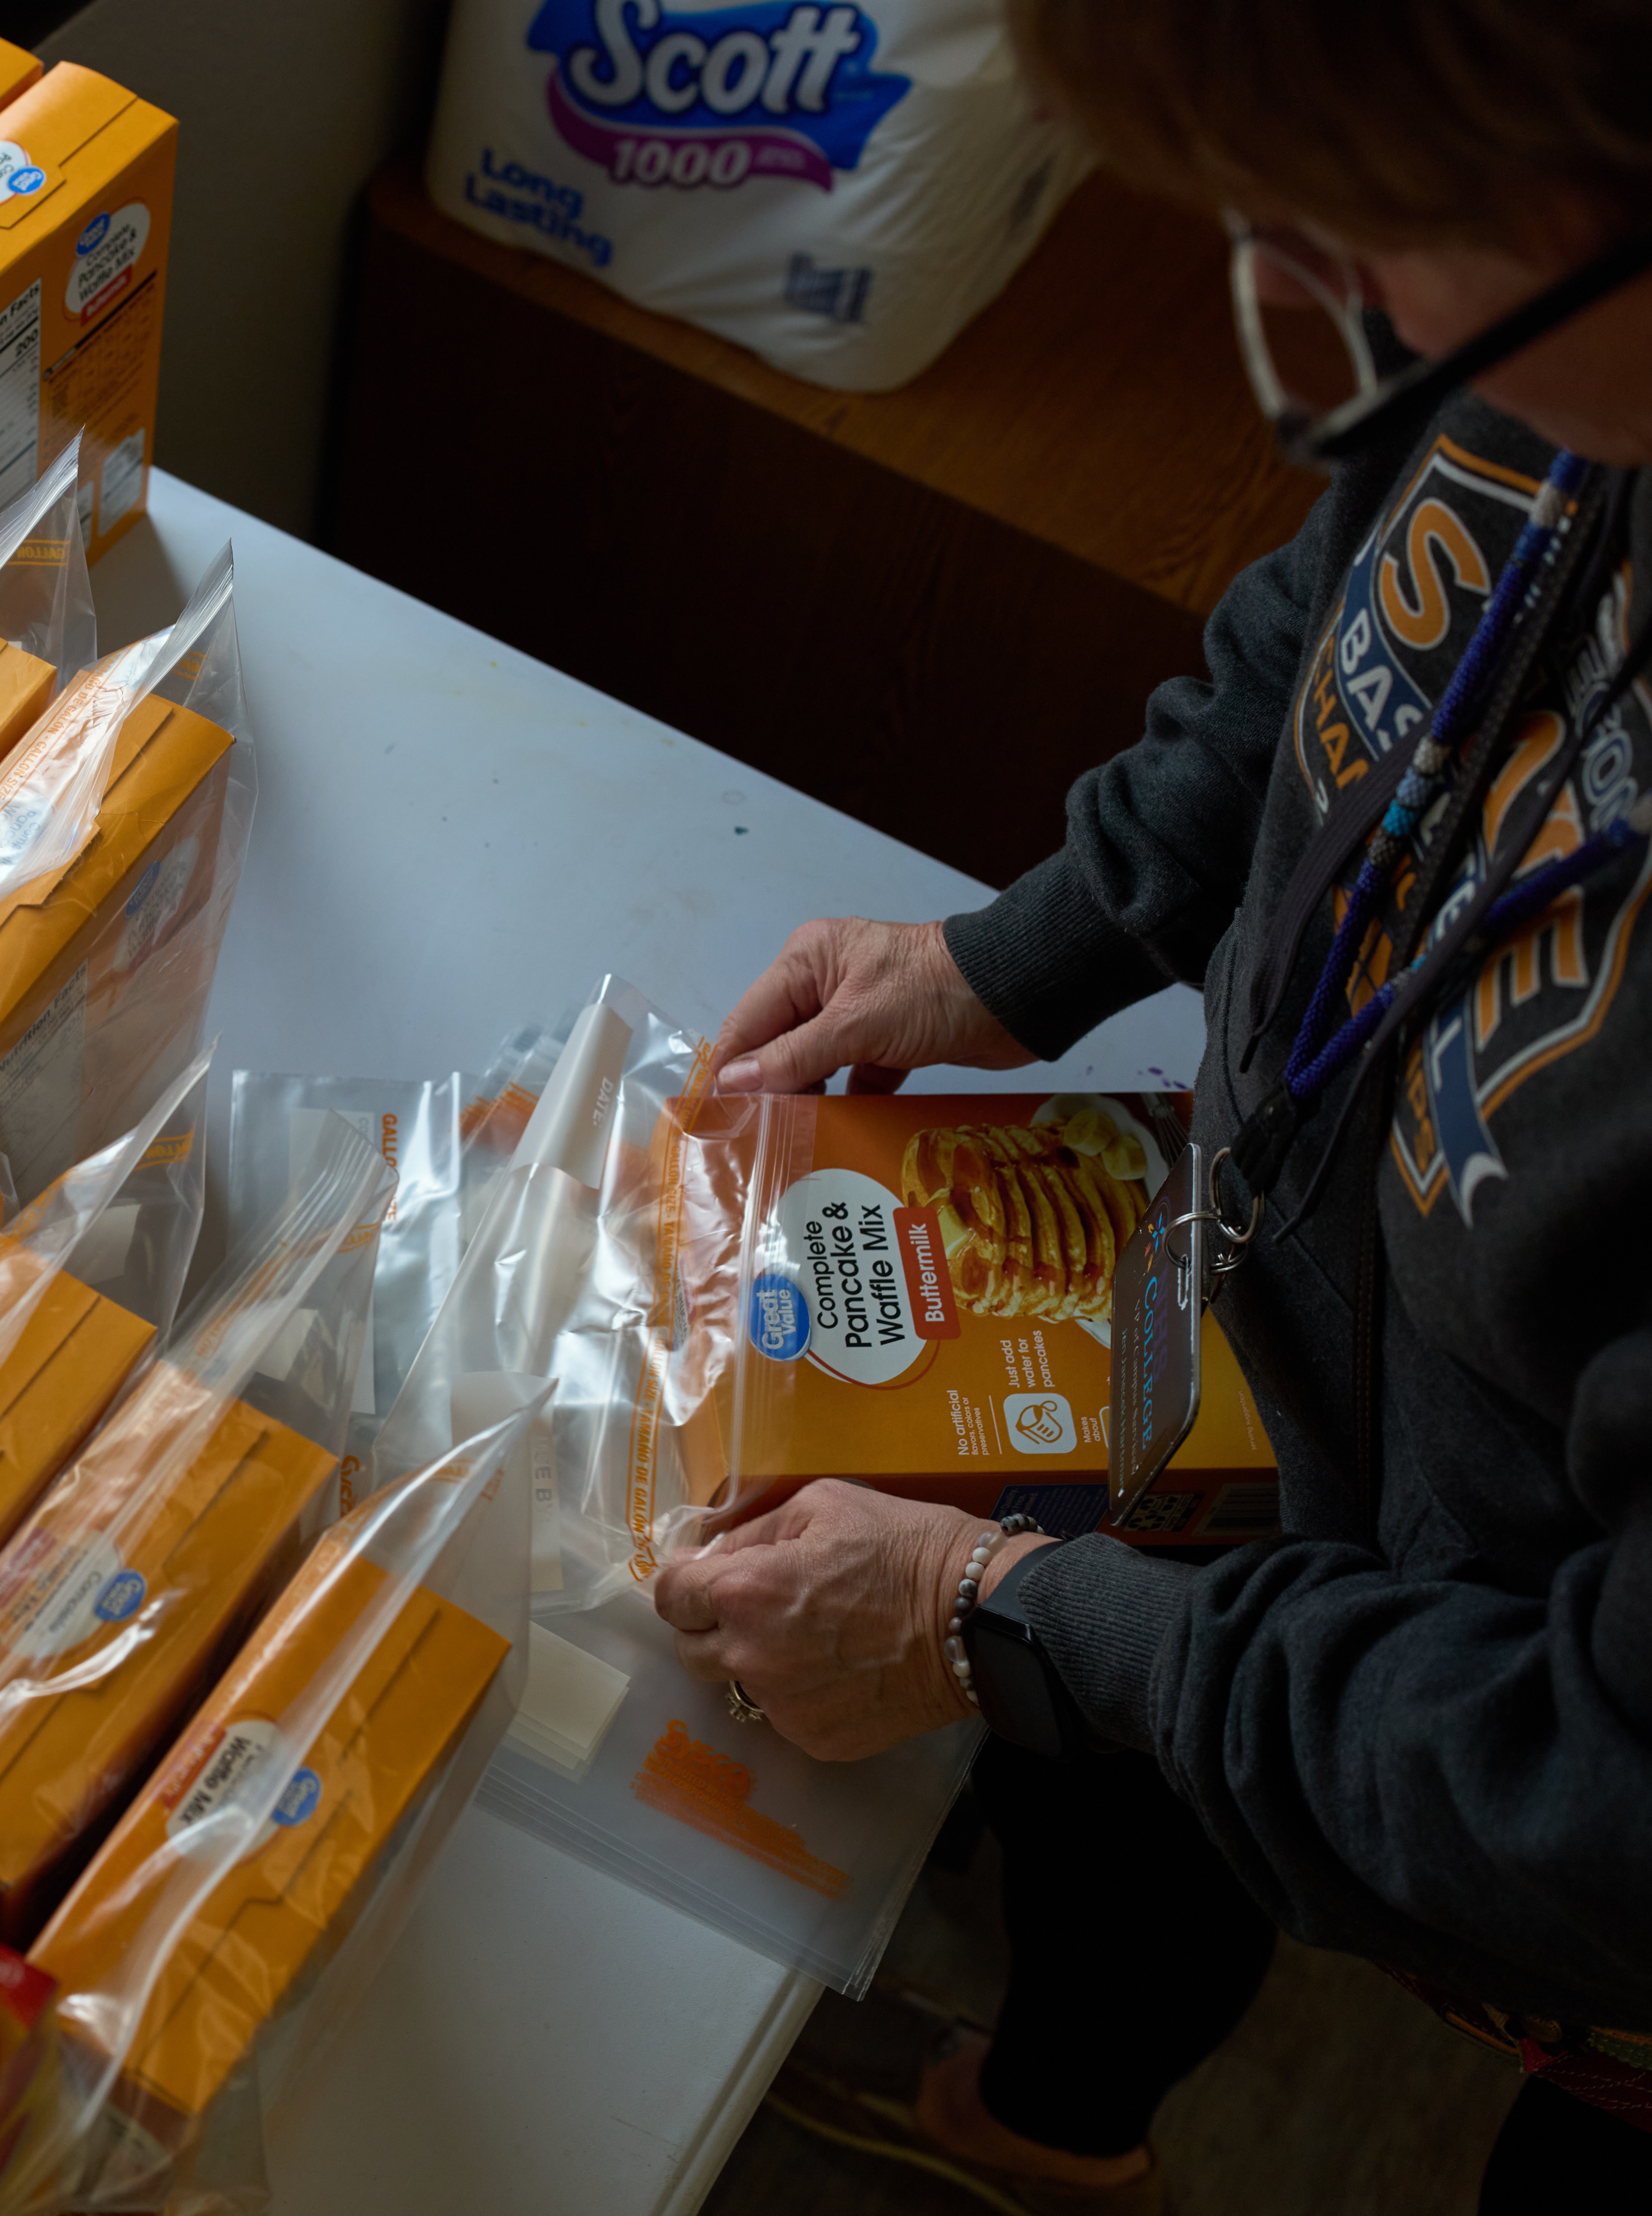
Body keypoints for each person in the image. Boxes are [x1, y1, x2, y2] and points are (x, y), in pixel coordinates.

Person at [654, 2, 1652, 2207]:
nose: (1330, 313)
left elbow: (1591, 1797)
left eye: (1362, 247)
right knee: (1141, 1790)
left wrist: (994, 1621)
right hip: (1284, 1406)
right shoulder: (1538, 350)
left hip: (1555, 1864)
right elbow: (1362, 605)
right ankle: (1054, 2124)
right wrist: (1035, 945)